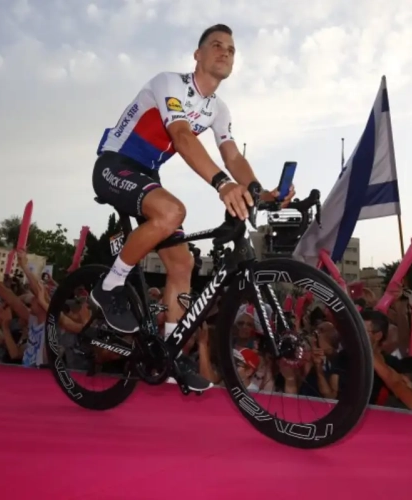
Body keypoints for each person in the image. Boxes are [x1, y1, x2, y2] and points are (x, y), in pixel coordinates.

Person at [90, 24, 293, 390]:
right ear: (197, 55)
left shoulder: (218, 109)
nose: (225, 52)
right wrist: (221, 185)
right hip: (114, 165)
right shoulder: (170, 83)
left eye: (231, 49)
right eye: (216, 45)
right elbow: (182, 136)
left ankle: (167, 357)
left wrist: (260, 191)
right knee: (173, 211)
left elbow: (232, 155)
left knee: (182, 263)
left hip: (147, 176)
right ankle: (109, 286)